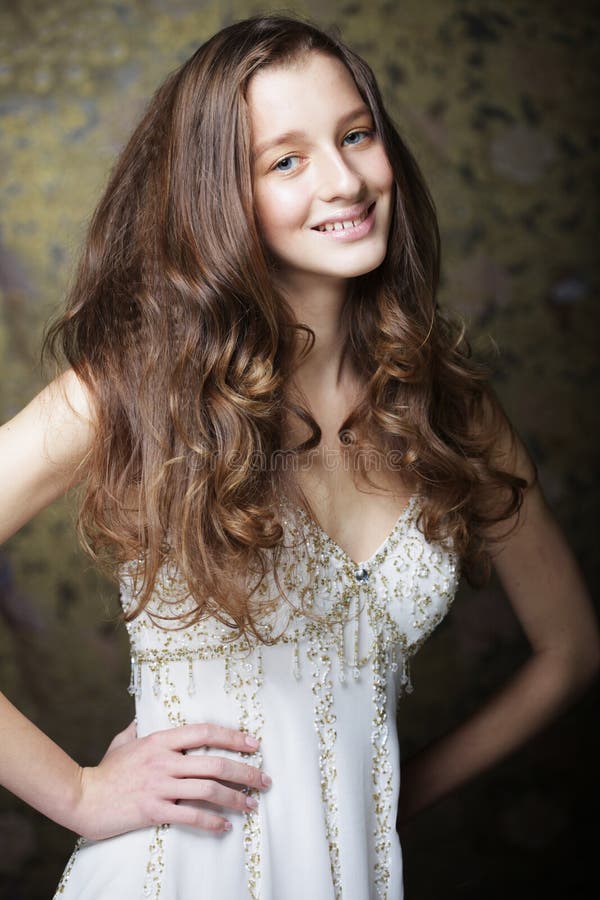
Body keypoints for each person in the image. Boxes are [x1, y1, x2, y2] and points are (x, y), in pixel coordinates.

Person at [0, 12, 598, 900]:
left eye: (356, 134)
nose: (346, 178)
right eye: (287, 159)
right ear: (220, 197)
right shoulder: (131, 391)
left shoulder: (454, 410)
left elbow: (571, 651)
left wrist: (389, 797)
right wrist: (78, 792)